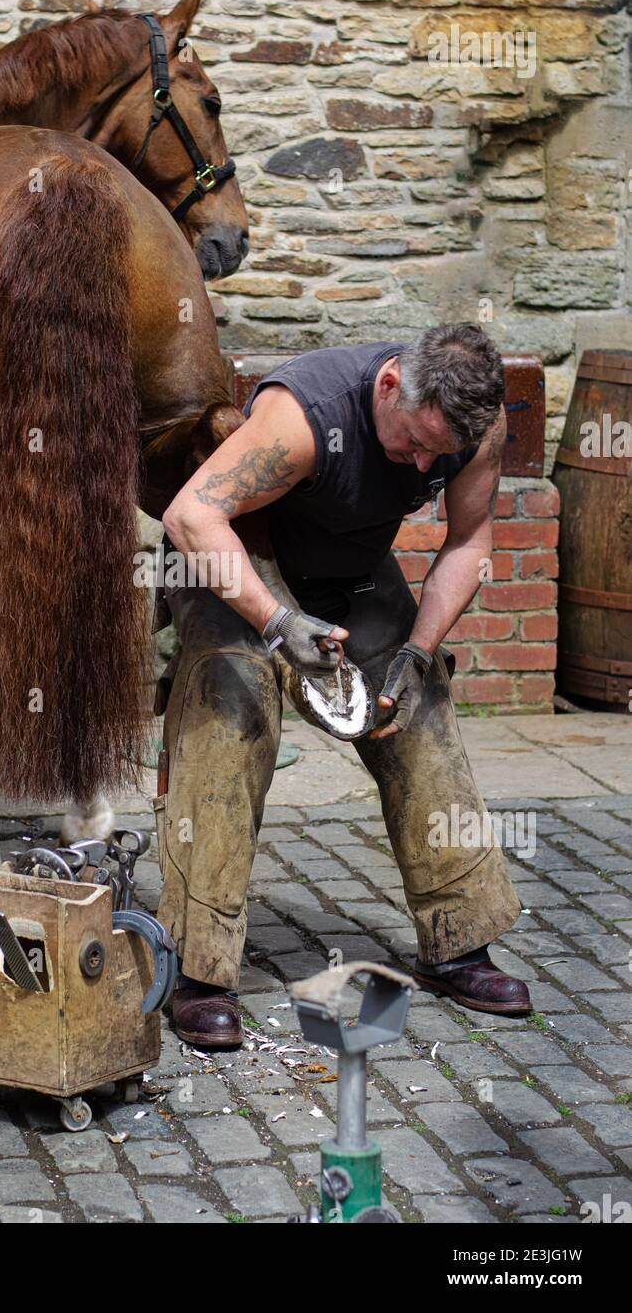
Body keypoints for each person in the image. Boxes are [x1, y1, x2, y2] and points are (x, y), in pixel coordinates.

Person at [157, 324, 529, 1049]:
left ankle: (459, 939)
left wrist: (420, 651)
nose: (423, 463)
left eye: (436, 454)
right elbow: (190, 516)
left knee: (419, 710)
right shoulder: (305, 418)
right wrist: (275, 624)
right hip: (244, 569)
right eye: (412, 444)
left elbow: (469, 542)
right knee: (231, 713)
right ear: (389, 385)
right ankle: (199, 969)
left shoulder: (474, 427)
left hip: (353, 573)